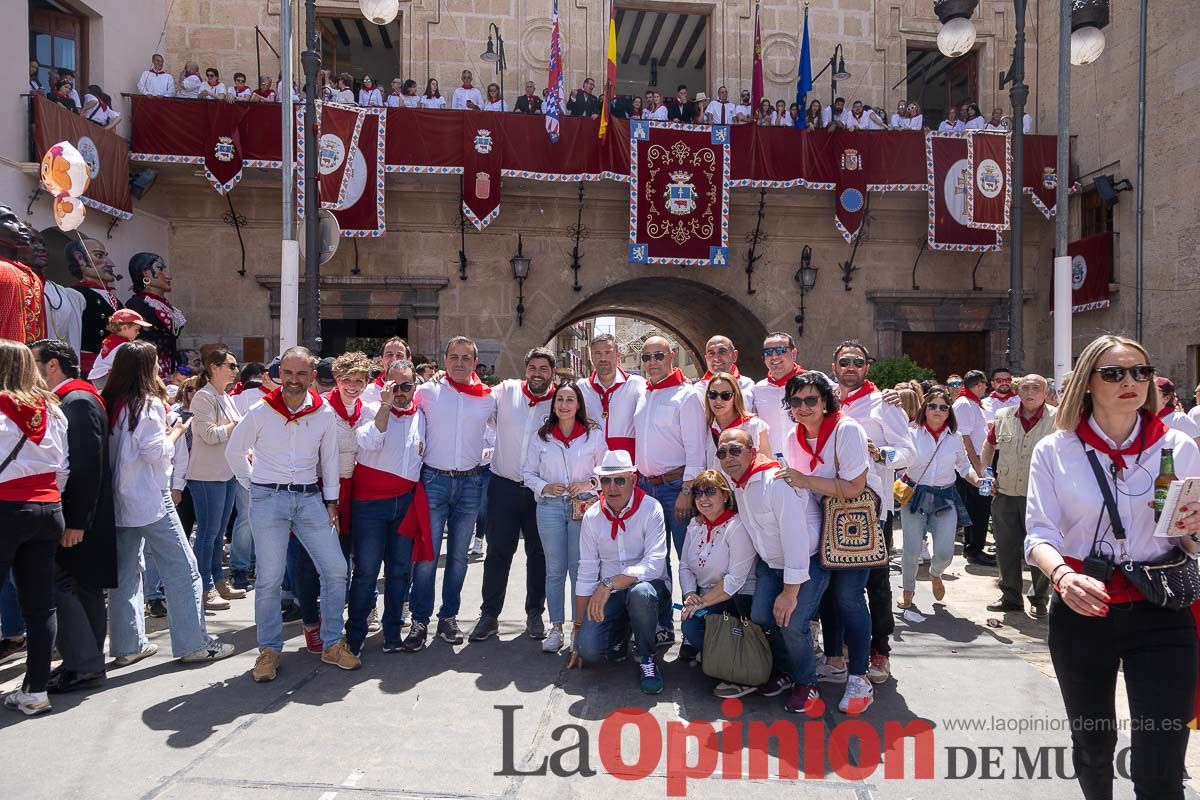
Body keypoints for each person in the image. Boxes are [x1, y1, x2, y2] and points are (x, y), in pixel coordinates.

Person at [1026, 334, 1200, 800]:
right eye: (1115, 373)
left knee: (1163, 757)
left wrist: (1194, 529)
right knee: (1093, 744)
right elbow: (1039, 534)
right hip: (1083, 605)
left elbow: (1188, 537)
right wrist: (1062, 576)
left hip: (1161, 606)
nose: (1132, 382)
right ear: (1087, 383)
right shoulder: (1055, 450)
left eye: (1141, 372)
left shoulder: (1180, 446)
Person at [226, 346, 358, 682]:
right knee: (269, 579)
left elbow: (328, 460)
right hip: (269, 498)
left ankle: (331, 643)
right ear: (278, 375)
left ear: (312, 377)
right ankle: (269, 650)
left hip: (310, 499)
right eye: (288, 373)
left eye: (301, 374)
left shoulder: (323, 413)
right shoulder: (260, 410)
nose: (294, 381)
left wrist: (331, 501)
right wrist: (253, 485)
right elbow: (234, 450)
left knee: (335, 569)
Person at [102, 340, 234, 669]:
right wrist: (174, 434)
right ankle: (194, 643)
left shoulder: (114, 401)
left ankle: (127, 644)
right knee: (184, 570)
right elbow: (153, 452)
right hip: (148, 496)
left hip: (120, 499)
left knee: (126, 573)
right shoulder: (146, 403)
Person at [777, 371, 876, 714]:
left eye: (810, 400)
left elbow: (853, 488)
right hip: (815, 529)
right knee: (827, 600)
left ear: (825, 401)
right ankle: (835, 662)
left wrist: (806, 480)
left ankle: (859, 676)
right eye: (795, 401)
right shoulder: (793, 436)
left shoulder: (847, 430)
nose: (803, 407)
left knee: (849, 598)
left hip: (849, 525)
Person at [29, 340, 115, 694]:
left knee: (67, 587)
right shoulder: (77, 398)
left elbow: (83, 467)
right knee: (82, 588)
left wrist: (76, 521)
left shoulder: (76, 401)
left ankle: (83, 664)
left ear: (52, 365)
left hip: (80, 516)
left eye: (34, 362)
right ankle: (84, 661)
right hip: (85, 514)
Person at [717, 428, 823, 710]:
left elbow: (796, 538)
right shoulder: (740, 484)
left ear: (753, 452)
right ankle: (787, 670)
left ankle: (806, 683)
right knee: (762, 615)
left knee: (792, 623)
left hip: (805, 562)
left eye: (735, 450)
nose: (728, 457)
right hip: (771, 564)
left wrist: (789, 593)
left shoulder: (774, 481)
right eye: (722, 452)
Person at [830, 341, 914, 685]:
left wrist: (879, 454)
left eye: (858, 362)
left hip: (874, 506)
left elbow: (910, 452)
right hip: (833, 504)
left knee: (876, 582)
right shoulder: (825, 398)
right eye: (845, 361)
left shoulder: (884, 404)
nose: (851, 366)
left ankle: (880, 650)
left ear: (867, 367)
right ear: (834, 366)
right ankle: (844, 646)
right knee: (837, 580)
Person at [406, 336, 495, 651]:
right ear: (445, 360)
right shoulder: (427, 392)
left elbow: (506, 427)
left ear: (474, 362)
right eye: (454, 356)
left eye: (466, 357)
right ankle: (419, 620)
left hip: (471, 483)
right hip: (434, 481)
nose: (459, 362)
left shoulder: (486, 397)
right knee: (427, 556)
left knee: (458, 557)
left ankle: (448, 617)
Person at [0, 340, 68, 715]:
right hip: (47, 507)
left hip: (7, 506)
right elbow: (62, 464)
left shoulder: (2, 407)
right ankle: (35, 689)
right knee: (40, 606)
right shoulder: (53, 410)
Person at [470, 348, 556, 642]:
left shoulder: (560, 401)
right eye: (532, 367)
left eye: (543, 368)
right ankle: (490, 614)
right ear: (525, 370)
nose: (537, 373)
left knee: (539, 553)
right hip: (504, 486)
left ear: (552, 373)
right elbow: (476, 401)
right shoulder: (505, 391)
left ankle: (534, 613)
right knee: (497, 552)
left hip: (540, 492)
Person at [346, 359, 429, 658]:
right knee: (366, 572)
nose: (401, 392)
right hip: (370, 505)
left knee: (398, 572)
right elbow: (368, 442)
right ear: (384, 385)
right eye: (395, 386)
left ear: (415, 387)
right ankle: (354, 634)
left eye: (407, 386)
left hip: (405, 504)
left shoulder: (421, 415)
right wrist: (384, 406)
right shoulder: (369, 410)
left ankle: (392, 631)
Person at [570, 450, 669, 694]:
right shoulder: (592, 516)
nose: (612, 487)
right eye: (605, 480)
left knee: (641, 594)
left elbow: (655, 565)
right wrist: (578, 629)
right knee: (590, 651)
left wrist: (610, 583)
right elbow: (586, 571)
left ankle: (647, 659)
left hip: (647, 589)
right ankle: (622, 633)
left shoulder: (651, 508)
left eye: (619, 480)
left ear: (633, 480)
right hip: (612, 594)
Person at [632, 335, 707, 647]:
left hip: (676, 487)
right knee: (656, 562)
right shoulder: (643, 394)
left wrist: (687, 491)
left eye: (658, 356)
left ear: (671, 356)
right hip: (646, 488)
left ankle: (695, 633)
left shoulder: (686, 396)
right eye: (647, 357)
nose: (652, 362)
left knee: (688, 559)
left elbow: (697, 451)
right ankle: (662, 625)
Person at [522, 381, 605, 654]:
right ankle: (555, 627)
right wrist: (543, 487)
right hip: (550, 507)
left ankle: (577, 628)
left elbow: (606, 471)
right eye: (560, 400)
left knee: (579, 569)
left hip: (583, 508)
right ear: (554, 404)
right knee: (555, 570)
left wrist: (589, 484)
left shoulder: (593, 435)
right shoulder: (542, 436)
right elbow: (528, 472)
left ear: (578, 404)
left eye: (570, 400)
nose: (564, 405)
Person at [897, 386, 979, 609]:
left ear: (948, 412)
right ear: (925, 408)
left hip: (945, 497)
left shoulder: (955, 438)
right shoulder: (910, 433)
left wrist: (977, 480)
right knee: (912, 550)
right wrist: (881, 455)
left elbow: (964, 466)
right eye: (932, 406)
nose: (937, 410)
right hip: (914, 495)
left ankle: (936, 573)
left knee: (945, 553)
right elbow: (897, 457)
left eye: (943, 407)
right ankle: (908, 591)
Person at [981, 374, 1055, 618]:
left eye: (1037, 388)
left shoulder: (1058, 419)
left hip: (1042, 497)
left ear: (1046, 393)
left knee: (1040, 547)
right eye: (1025, 388)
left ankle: (1039, 599)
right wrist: (987, 473)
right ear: (1017, 391)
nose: (1030, 392)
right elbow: (989, 445)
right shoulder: (1003, 417)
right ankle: (1010, 597)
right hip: (1006, 493)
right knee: (1006, 547)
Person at [676, 468, 756, 674]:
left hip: (737, 598)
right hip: (708, 598)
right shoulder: (695, 524)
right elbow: (684, 566)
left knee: (693, 620)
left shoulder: (736, 525)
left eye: (710, 491)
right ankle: (722, 661)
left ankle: (737, 665)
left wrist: (699, 604)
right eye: (697, 493)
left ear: (725, 495)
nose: (703, 498)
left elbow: (735, 579)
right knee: (690, 622)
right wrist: (689, 594)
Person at [186, 347, 245, 610]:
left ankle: (218, 581)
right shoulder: (203, 397)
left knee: (218, 533)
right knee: (208, 534)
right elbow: (209, 435)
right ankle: (204, 587)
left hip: (227, 472)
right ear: (214, 367)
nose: (235, 370)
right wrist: (237, 426)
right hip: (207, 476)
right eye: (231, 365)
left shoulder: (225, 396)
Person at [577, 333, 645, 463]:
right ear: (591, 357)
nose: (603, 358)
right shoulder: (581, 387)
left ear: (617, 355)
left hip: (627, 462)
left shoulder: (637, 384)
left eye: (608, 352)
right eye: (598, 353)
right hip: (591, 461)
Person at [952, 369, 996, 565]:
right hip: (975, 464)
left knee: (979, 506)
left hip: (982, 461)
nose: (985, 388)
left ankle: (973, 546)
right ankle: (974, 548)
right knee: (980, 506)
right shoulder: (963, 404)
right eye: (984, 384)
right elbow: (964, 437)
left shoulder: (973, 403)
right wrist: (978, 466)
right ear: (978, 385)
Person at [20, 228, 83, 357]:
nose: (41, 248)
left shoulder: (63, 293)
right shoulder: (11, 283)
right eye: (31, 241)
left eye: (43, 244)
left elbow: (71, 339)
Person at [65, 235, 122, 375]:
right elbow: (72, 339)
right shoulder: (74, 295)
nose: (110, 263)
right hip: (91, 371)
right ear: (80, 259)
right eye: (99, 255)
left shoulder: (113, 298)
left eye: (106, 256)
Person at [124, 253, 186, 379]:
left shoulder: (163, 305)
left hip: (167, 369)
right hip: (148, 371)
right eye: (161, 268)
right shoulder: (140, 304)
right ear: (146, 273)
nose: (169, 276)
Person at [751, 331, 805, 459]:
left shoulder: (814, 382)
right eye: (768, 352)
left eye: (780, 350)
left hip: (808, 466)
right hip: (773, 468)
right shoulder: (757, 390)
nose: (774, 356)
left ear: (793, 354)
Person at [702, 372, 769, 472]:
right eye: (713, 394)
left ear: (735, 397)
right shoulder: (704, 428)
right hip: (715, 487)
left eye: (725, 395)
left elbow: (767, 466)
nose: (718, 401)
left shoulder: (755, 426)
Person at [86, 308, 150, 390]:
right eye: (136, 329)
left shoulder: (111, 340)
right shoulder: (124, 345)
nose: (138, 333)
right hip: (108, 376)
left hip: (97, 376)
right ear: (124, 328)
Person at [695, 335, 754, 401]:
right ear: (706, 358)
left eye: (722, 352)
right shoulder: (697, 391)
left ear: (735, 355)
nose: (716, 358)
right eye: (711, 353)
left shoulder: (749, 386)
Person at [362, 337, 409, 405]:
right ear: (381, 360)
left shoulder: (416, 392)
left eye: (399, 355)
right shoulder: (366, 393)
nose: (394, 359)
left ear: (407, 360)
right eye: (389, 354)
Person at [1155, 376, 1200, 442]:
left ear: (1166, 398)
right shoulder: (1141, 419)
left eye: (1152, 393)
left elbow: (1196, 448)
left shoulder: (1180, 420)